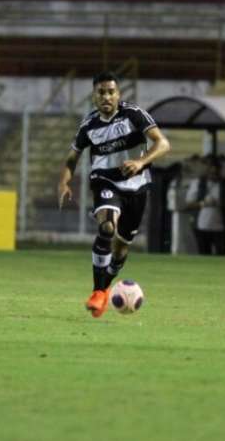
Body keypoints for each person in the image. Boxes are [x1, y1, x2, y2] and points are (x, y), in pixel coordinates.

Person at [57, 72, 171, 318]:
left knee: (120, 250)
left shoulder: (134, 114)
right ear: (94, 97)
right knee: (107, 227)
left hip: (137, 185)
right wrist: (64, 182)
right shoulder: (89, 125)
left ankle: (105, 288)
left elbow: (163, 144)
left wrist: (141, 162)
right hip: (105, 179)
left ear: (118, 94)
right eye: (101, 92)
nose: (106, 96)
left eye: (111, 92)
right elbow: (71, 158)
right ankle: (98, 292)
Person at [184, 158, 225, 256]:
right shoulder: (198, 183)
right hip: (202, 225)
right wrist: (203, 204)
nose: (214, 174)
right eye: (211, 171)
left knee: (222, 253)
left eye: (216, 171)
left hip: (220, 226)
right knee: (204, 253)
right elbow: (188, 203)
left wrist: (219, 203)